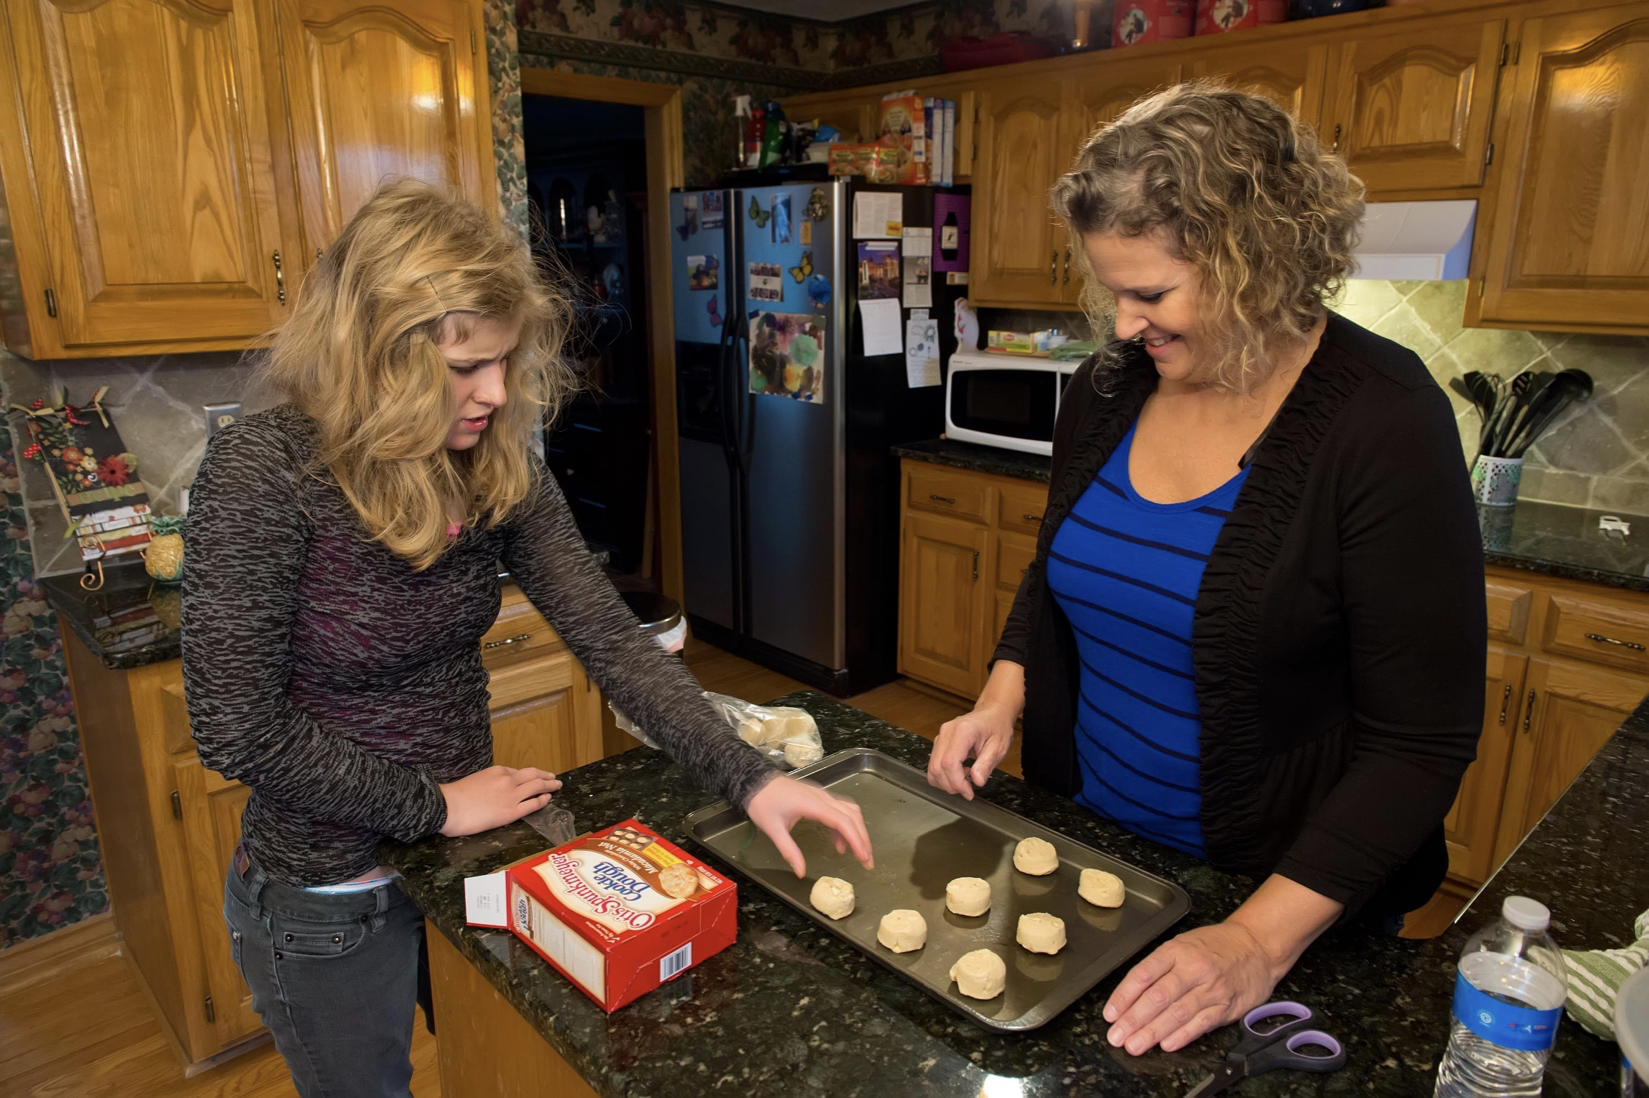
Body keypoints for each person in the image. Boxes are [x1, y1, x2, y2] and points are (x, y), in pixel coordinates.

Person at [181, 179, 872, 1096]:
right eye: (464, 367)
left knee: (502, 1066)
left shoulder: (493, 464)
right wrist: (434, 804)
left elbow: (613, 643)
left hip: (463, 859)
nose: (496, 391)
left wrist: (750, 776)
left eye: (504, 361)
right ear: (376, 355)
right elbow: (236, 726)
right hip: (324, 894)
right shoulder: (265, 469)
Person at [926, 81, 1485, 1056]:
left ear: (1254, 258)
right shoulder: (1108, 388)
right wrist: (999, 697)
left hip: (1277, 905)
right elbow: (1058, 571)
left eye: (1149, 293)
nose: (1124, 321)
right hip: (1095, 862)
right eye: (1113, 290)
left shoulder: (1382, 420)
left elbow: (1418, 745)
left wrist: (1251, 943)